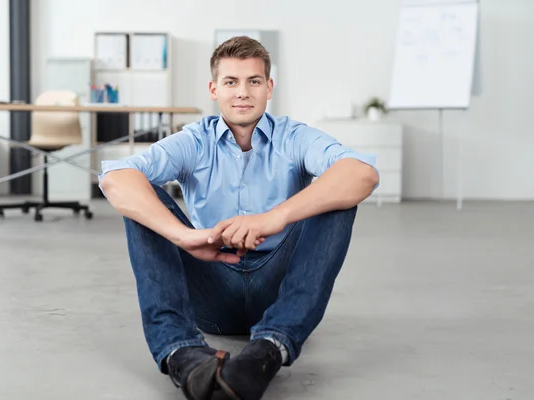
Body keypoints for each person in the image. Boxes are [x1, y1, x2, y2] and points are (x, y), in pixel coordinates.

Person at [99, 36, 379, 400]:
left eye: (254, 81)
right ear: (214, 89)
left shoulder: (294, 137)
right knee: (140, 198)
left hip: (279, 289)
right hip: (210, 287)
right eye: (231, 82)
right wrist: (183, 237)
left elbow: (363, 174)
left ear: (269, 87)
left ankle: (267, 351)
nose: (242, 92)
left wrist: (273, 219)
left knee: (339, 196)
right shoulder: (194, 141)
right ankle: (181, 354)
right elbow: (115, 177)